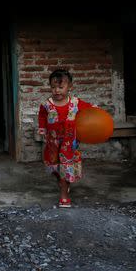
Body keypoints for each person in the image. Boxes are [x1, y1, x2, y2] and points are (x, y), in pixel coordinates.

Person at [37, 69, 93, 208]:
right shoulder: (46, 104)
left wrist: (95, 110)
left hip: (69, 143)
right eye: (53, 87)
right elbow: (42, 116)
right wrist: (42, 128)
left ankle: (64, 196)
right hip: (53, 142)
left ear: (69, 87)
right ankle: (63, 183)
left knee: (66, 167)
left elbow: (89, 109)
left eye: (60, 87)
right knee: (55, 167)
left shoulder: (75, 103)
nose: (56, 90)